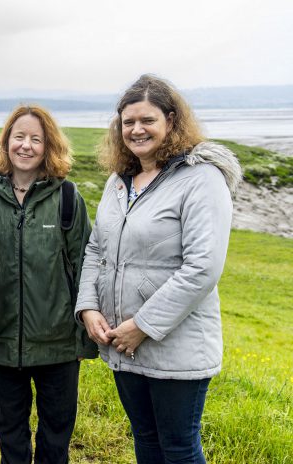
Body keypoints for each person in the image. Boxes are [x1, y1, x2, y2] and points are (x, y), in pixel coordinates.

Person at [75, 75, 242, 464]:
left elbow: (203, 266)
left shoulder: (201, 179)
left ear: (170, 120)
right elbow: (96, 248)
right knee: (146, 440)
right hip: (122, 342)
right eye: (128, 121)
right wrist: (88, 308)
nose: (136, 129)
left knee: (179, 447)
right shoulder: (120, 181)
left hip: (173, 346)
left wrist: (143, 326)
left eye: (147, 120)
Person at [0, 105, 97, 464]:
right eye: (19, 137)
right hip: (2, 344)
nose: (26, 146)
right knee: (10, 438)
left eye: (36, 139)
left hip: (60, 347)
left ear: (49, 146)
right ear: (6, 142)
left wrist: (84, 340)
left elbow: (85, 269)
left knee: (55, 440)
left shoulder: (67, 199)